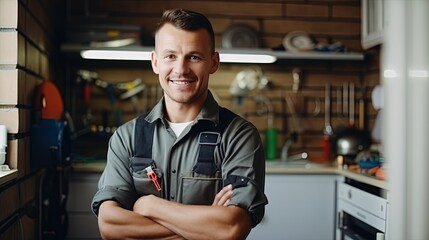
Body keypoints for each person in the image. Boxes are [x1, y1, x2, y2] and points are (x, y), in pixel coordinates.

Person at [91, 8, 268, 240]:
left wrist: (149, 206)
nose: (181, 69)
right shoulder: (127, 137)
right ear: (155, 62)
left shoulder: (239, 136)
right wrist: (206, 225)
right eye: (170, 56)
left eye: (194, 56)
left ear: (213, 63)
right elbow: (110, 226)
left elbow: (231, 229)